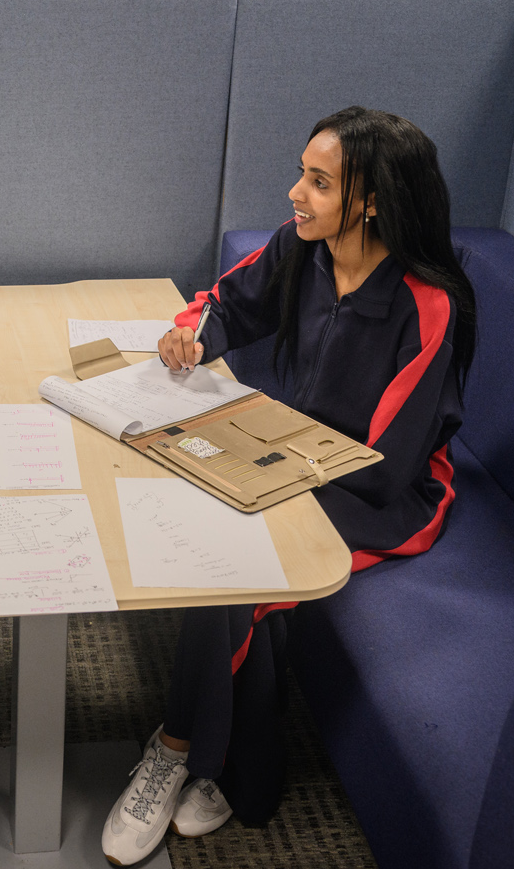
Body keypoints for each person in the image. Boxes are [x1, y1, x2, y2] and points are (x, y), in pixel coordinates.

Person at [100, 106, 477, 865]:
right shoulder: (300, 248)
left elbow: (390, 456)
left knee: (235, 570)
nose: (295, 194)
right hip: (293, 457)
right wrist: (192, 339)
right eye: (303, 174)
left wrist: (265, 478)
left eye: (319, 182)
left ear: (369, 200)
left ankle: (175, 749)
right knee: (227, 547)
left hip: (385, 495)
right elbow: (226, 304)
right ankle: (240, 772)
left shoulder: (428, 304)